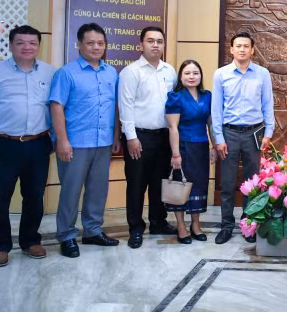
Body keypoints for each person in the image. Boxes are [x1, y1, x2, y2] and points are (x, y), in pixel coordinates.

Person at [0, 25, 55, 267]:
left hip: (38, 144)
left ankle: (30, 240)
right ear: (10, 46)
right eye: (20, 43)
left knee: (35, 196)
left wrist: (54, 138)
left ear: (39, 46)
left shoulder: (50, 73)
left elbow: (56, 107)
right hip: (4, 144)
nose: (27, 47)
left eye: (32, 43)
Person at [50, 23, 121, 258]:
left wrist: (115, 136)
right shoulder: (66, 73)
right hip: (75, 143)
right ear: (79, 44)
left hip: (103, 142)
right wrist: (62, 141)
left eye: (101, 43)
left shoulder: (111, 72)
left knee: (98, 190)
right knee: (71, 191)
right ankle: (67, 235)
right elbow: (56, 107)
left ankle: (92, 230)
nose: (96, 47)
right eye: (90, 43)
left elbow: (115, 107)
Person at [211, 31, 275, 245]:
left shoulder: (262, 74)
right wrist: (218, 138)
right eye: (238, 46)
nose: (242, 49)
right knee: (227, 183)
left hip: (253, 133)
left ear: (252, 50)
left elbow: (268, 105)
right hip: (228, 133)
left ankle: (249, 225)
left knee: (251, 183)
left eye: (246, 46)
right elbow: (216, 109)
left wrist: (268, 133)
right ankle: (226, 226)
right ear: (231, 49)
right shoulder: (221, 74)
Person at [118, 26, 177, 249]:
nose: (155, 45)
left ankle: (158, 222)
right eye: (150, 41)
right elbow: (125, 106)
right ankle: (135, 228)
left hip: (163, 137)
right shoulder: (131, 72)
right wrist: (131, 137)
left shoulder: (169, 71)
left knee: (159, 183)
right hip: (139, 137)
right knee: (136, 184)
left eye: (159, 41)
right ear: (141, 44)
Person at [165, 60, 215, 244]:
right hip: (183, 147)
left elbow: (210, 124)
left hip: (201, 148)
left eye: (195, 73)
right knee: (180, 186)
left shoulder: (207, 96)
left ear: (201, 76)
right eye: (187, 73)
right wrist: (175, 154)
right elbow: (173, 128)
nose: (191, 77)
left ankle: (195, 224)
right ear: (180, 76)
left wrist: (214, 146)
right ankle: (181, 226)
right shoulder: (175, 97)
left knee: (199, 186)